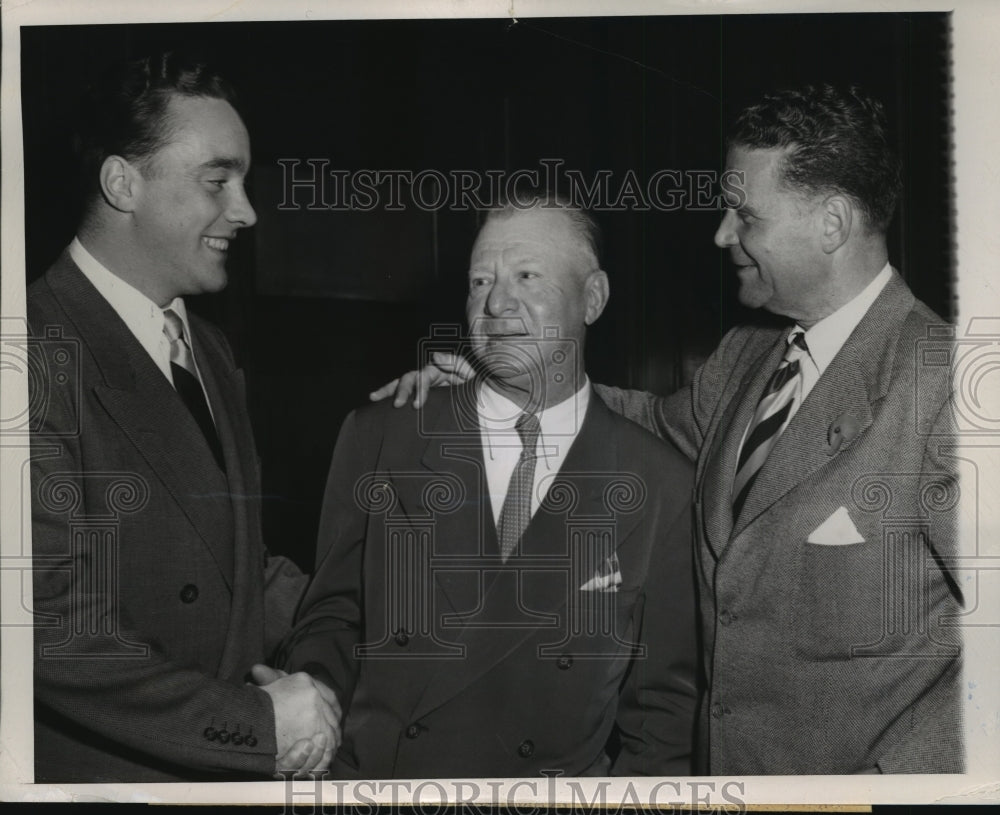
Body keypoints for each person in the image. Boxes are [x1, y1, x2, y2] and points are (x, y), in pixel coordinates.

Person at [375, 86, 963, 774]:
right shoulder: (750, 354)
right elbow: (650, 422)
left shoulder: (947, 381)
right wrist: (503, 385)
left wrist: (897, 784)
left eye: (744, 215)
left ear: (831, 223)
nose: (721, 233)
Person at [279, 196, 699, 778]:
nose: (497, 302)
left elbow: (663, 714)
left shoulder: (660, 484)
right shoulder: (383, 435)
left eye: (526, 276)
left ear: (594, 298)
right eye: (480, 280)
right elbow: (331, 617)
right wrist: (313, 708)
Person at [27, 51, 339, 782]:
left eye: (244, 181)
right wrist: (258, 722)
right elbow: (49, 625)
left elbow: (238, 567)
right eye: (216, 180)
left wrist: (373, 617)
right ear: (122, 182)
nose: (247, 210)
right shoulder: (29, 351)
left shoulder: (209, 348)